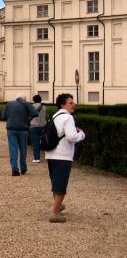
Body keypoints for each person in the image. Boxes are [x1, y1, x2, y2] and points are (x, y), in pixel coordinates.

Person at [46, 93, 85, 223]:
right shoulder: (68, 118)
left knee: (55, 181)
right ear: (63, 104)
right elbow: (71, 137)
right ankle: (55, 213)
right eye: (71, 102)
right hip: (63, 154)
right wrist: (82, 134)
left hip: (51, 153)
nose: (74, 104)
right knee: (61, 183)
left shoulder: (54, 116)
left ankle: (57, 205)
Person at [1, 94, 38, 176]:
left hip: (11, 129)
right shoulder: (26, 104)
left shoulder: (9, 104)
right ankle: (23, 168)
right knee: (23, 149)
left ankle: (14, 170)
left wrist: (10, 119)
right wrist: (28, 119)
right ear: (24, 99)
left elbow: (3, 117)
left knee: (13, 149)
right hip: (23, 129)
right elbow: (35, 113)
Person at [30, 94, 47, 163]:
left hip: (34, 126)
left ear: (33, 100)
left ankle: (37, 158)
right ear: (40, 100)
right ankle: (47, 156)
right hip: (43, 126)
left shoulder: (31, 107)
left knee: (35, 143)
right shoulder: (44, 107)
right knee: (45, 142)